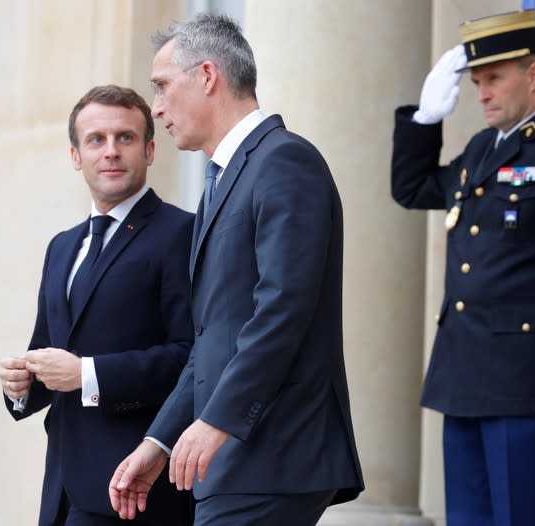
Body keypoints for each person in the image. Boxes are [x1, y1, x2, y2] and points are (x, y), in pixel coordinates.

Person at [108, 14, 363, 526]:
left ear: (207, 76)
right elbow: (213, 339)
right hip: (236, 464)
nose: (157, 108)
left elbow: (282, 311)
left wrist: (217, 420)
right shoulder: (223, 179)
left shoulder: (284, 161)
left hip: (274, 456)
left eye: (162, 87)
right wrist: (159, 440)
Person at [390, 10, 535, 526]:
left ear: (533, 76)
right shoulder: (484, 149)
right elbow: (413, 189)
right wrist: (425, 119)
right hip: (463, 376)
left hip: (524, 381)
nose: (481, 93)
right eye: (476, 81)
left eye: (493, 79)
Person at [0, 85, 195, 526]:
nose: (111, 152)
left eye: (125, 138)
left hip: (135, 488)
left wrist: (87, 374)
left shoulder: (181, 233)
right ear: (75, 155)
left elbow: (192, 356)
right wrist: (21, 385)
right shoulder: (62, 247)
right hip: (62, 488)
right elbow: (50, 350)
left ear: (149, 150)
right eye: (96, 140)